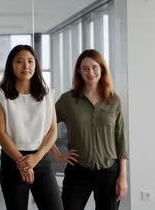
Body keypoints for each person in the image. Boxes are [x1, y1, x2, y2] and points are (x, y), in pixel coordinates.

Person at [51, 49, 128, 210]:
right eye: (85, 68)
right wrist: (57, 154)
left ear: (102, 69)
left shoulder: (114, 100)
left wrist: (123, 177)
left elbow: (121, 139)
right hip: (78, 171)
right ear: (79, 71)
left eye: (94, 67)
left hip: (109, 173)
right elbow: (44, 126)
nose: (90, 72)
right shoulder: (68, 100)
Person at [0, 45, 63, 210]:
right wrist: (22, 163)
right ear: (11, 65)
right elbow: (0, 133)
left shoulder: (47, 94)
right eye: (19, 61)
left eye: (30, 61)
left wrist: (36, 157)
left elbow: (52, 131)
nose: (26, 66)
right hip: (12, 161)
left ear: (36, 65)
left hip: (41, 160)